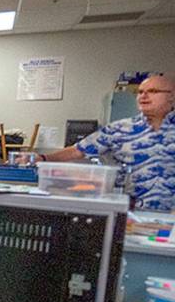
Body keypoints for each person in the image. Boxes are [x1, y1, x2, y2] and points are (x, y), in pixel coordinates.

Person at [41, 74, 175, 211]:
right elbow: (78, 150)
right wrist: (43, 158)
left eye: (153, 91)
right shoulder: (120, 128)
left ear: (171, 96)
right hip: (130, 212)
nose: (143, 96)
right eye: (140, 92)